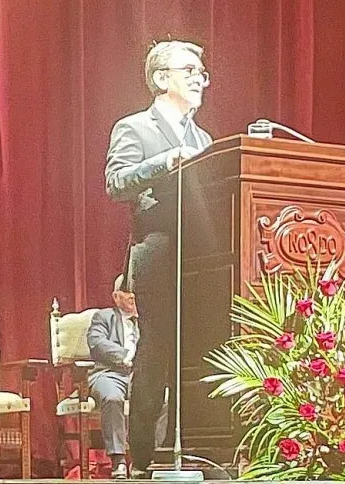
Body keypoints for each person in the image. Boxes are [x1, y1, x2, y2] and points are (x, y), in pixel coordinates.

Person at [105, 39, 212, 475]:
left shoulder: (204, 137)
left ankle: (195, 447)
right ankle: (145, 457)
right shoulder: (134, 127)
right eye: (188, 70)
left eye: (202, 73)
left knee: (200, 348)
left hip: (203, 256)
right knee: (158, 350)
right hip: (157, 252)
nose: (199, 79)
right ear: (160, 79)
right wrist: (167, 160)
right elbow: (115, 183)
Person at [86, 275, 140, 479]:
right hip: (109, 374)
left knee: (164, 397)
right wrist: (126, 356)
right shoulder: (103, 317)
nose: (133, 296)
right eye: (128, 293)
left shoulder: (148, 320)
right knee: (113, 398)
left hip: (139, 376)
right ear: (116, 297)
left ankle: (148, 458)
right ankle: (118, 460)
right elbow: (97, 343)